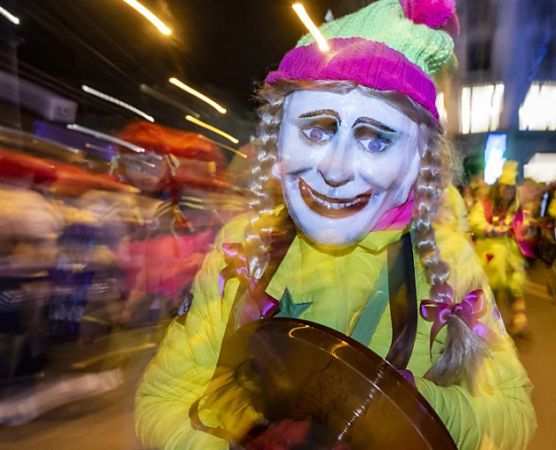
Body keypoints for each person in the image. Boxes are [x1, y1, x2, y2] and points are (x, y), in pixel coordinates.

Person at [134, 1, 535, 449]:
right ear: (278, 139)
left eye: (376, 138)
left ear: (417, 163)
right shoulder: (242, 249)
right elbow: (165, 396)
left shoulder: (445, 260)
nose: (337, 169)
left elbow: (511, 412)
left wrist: (402, 410)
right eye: (317, 130)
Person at [468, 161, 529, 335]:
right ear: (498, 188)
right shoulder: (485, 205)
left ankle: (519, 319)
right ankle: (485, 323)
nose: (507, 192)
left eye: (510, 189)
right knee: (489, 289)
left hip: (511, 255)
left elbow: (521, 225)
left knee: (515, 285)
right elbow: (475, 221)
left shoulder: (516, 208)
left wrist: (523, 229)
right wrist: (493, 230)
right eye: (504, 188)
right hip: (490, 255)